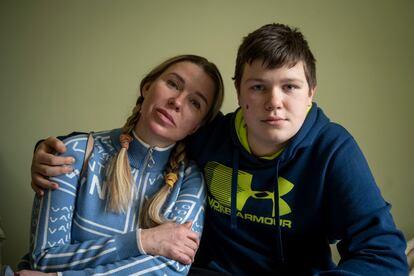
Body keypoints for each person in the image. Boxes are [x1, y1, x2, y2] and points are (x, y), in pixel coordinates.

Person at [29, 23, 409, 275]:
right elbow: (144, 136)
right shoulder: (209, 137)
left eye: (290, 87)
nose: (273, 102)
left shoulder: (332, 149)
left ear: (311, 93)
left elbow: (385, 254)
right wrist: (52, 150)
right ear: (241, 92)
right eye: (258, 86)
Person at [14, 54, 225, 275]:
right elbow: (45, 259)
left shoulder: (190, 181)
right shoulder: (73, 152)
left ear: (196, 126)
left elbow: (170, 269)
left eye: (195, 102)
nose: (177, 101)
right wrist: (143, 240)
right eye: (173, 84)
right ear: (147, 87)